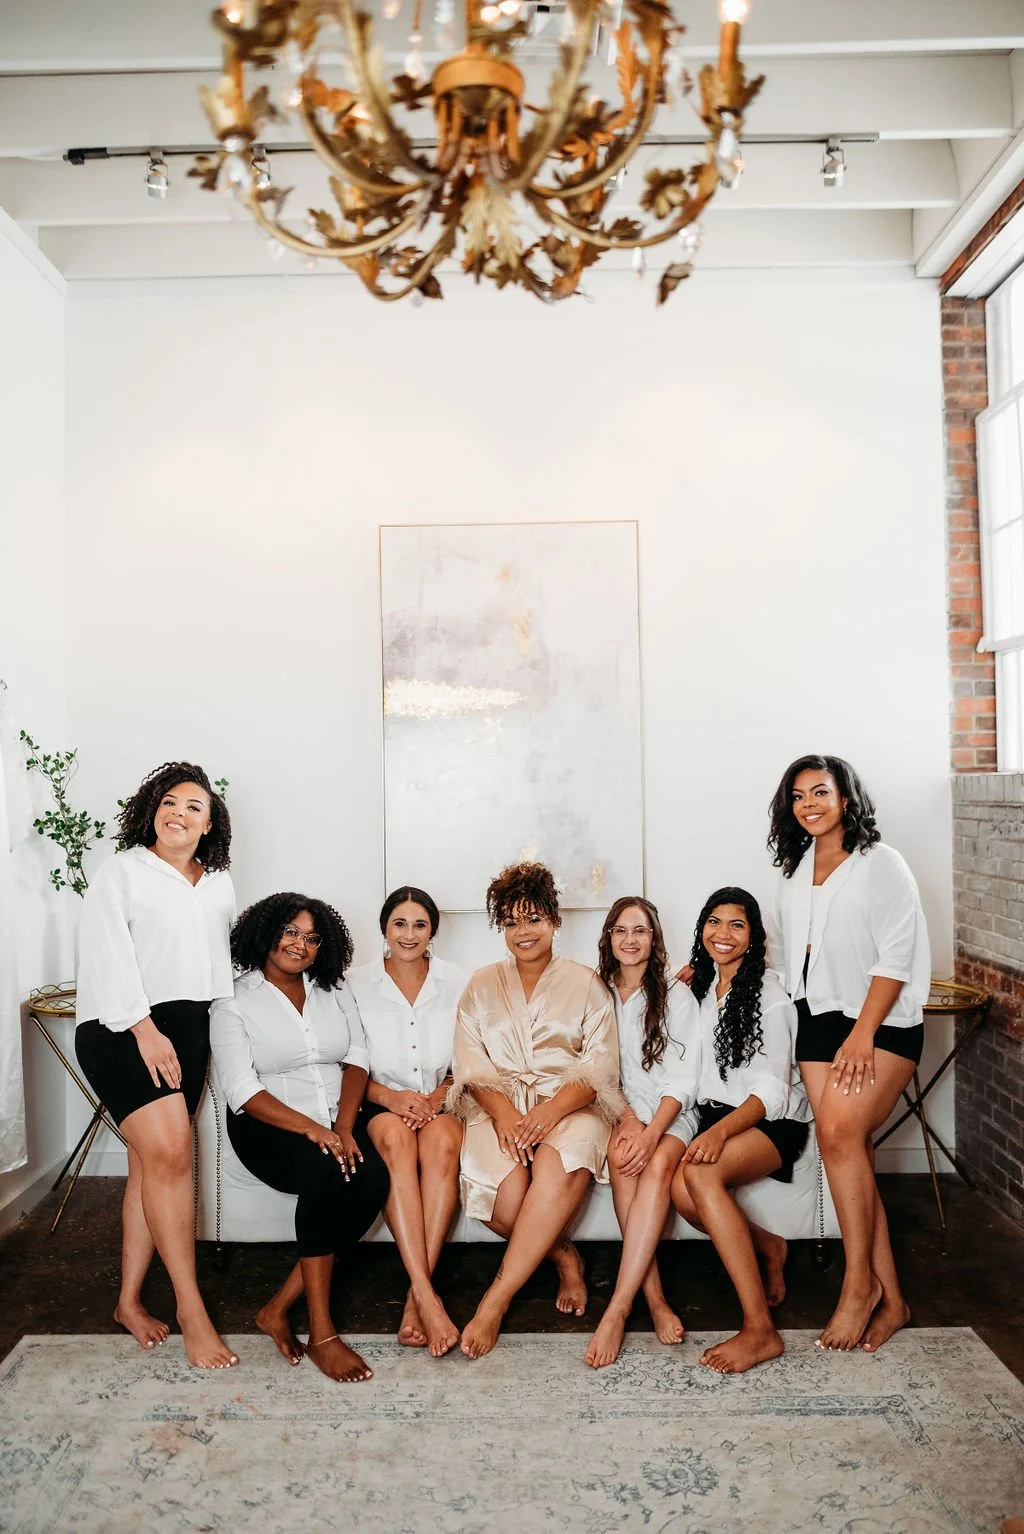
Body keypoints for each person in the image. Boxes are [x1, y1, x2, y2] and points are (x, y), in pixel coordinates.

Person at [75, 761, 238, 1369]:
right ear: (152, 809)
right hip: (122, 1027)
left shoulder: (218, 884)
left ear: (209, 824)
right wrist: (144, 1030)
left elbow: (220, 970)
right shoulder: (120, 871)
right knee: (172, 1155)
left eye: (195, 807)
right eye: (170, 802)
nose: (179, 813)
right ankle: (192, 1311)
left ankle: (128, 1302)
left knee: (152, 1166)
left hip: (191, 1031)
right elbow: (107, 957)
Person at [766, 753, 930, 1353]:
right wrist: (704, 969)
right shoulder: (793, 871)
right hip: (815, 1020)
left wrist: (862, 1032)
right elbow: (782, 953)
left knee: (838, 1135)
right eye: (798, 796)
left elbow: (897, 955)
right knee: (849, 1149)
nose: (808, 805)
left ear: (845, 797)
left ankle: (858, 1284)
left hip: (879, 1022)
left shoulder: (881, 863)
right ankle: (894, 1301)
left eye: (820, 792)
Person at [210, 893, 390, 1383]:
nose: (300, 945)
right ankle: (322, 1332)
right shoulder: (233, 1000)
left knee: (373, 1180)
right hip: (267, 1125)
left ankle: (276, 1308)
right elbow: (241, 1088)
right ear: (265, 933)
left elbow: (356, 1057)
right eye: (290, 932)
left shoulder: (333, 989)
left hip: (335, 1118)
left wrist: (344, 1127)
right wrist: (312, 1130)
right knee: (325, 1175)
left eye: (312, 938)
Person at [449, 861, 622, 1359]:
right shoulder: (481, 984)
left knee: (557, 1165)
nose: (523, 931)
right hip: (499, 1105)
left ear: (554, 921)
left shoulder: (586, 983)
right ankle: (564, 1255)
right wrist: (505, 1114)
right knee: (505, 1206)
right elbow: (470, 1062)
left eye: (533, 919)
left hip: (572, 1105)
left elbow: (600, 1064)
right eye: (511, 922)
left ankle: (495, 1300)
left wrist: (551, 1112)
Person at [670, 887, 810, 1374]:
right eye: (714, 922)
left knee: (700, 1177)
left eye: (737, 924)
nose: (723, 933)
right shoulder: (701, 987)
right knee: (680, 1192)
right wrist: (676, 986)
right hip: (717, 1116)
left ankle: (760, 1329)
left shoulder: (768, 996)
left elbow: (773, 1090)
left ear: (753, 937)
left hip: (769, 1120)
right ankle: (769, 1246)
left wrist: (717, 1135)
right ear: (702, 929)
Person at [347, 887, 466, 1357]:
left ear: (433, 930)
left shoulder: (457, 980)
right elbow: (346, 1061)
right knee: (396, 1142)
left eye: (420, 925)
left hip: (442, 1101)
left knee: (442, 1146)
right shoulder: (355, 983)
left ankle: (417, 1299)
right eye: (400, 923)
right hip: (380, 1102)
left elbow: (469, 1055)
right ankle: (427, 1296)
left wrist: (438, 1097)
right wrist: (392, 1098)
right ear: (384, 928)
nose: (409, 934)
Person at [585, 896, 699, 1369]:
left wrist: (652, 1133)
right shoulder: (595, 992)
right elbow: (599, 1070)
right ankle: (653, 1298)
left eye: (640, 931)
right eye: (621, 930)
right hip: (620, 1112)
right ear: (609, 938)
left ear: (654, 939)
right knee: (622, 1159)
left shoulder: (676, 995)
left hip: (671, 1115)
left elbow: (684, 1080)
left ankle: (617, 1308)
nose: (630, 940)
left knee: (654, 1169)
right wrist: (629, 1120)